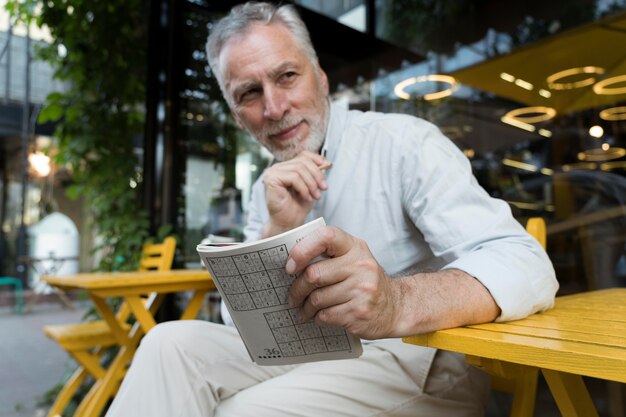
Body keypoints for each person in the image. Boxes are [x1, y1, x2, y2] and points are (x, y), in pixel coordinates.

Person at [105, 2, 558, 416]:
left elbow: (525, 262)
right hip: (308, 354)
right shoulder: (266, 185)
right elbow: (244, 326)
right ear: (236, 112)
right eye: (249, 93)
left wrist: (396, 301)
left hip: (417, 360)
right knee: (167, 342)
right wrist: (279, 226)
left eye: (286, 77)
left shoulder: (402, 142)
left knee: (242, 412)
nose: (275, 107)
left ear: (320, 77)